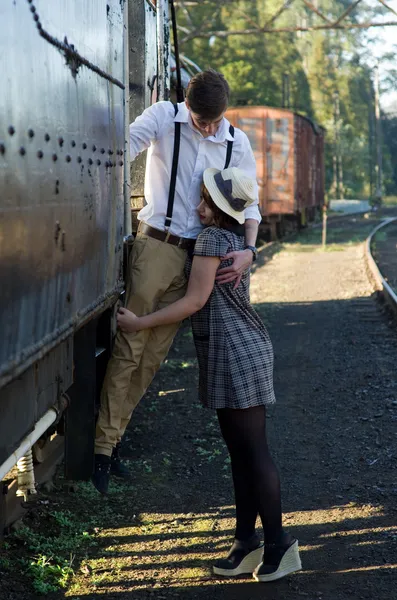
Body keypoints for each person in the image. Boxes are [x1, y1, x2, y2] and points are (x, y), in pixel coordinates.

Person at [117, 166, 302, 582]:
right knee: (241, 455)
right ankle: (246, 543)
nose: (198, 207)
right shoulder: (236, 240)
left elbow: (194, 302)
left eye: (205, 201)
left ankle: (279, 544)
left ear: (218, 210)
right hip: (234, 350)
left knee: (254, 453)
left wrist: (139, 324)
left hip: (235, 353)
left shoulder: (212, 240)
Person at [92, 69, 262, 494]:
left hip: (200, 256)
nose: (207, 128)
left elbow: (251, 201)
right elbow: (120, 148)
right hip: (157, 249)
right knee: (130, 350)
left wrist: (249, 250)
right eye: (201, 119)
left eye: (214, 120)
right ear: (188, 104)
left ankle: (112, 442)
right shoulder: (163, 117)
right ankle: (101, 450)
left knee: (152, 360)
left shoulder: (236, 141)